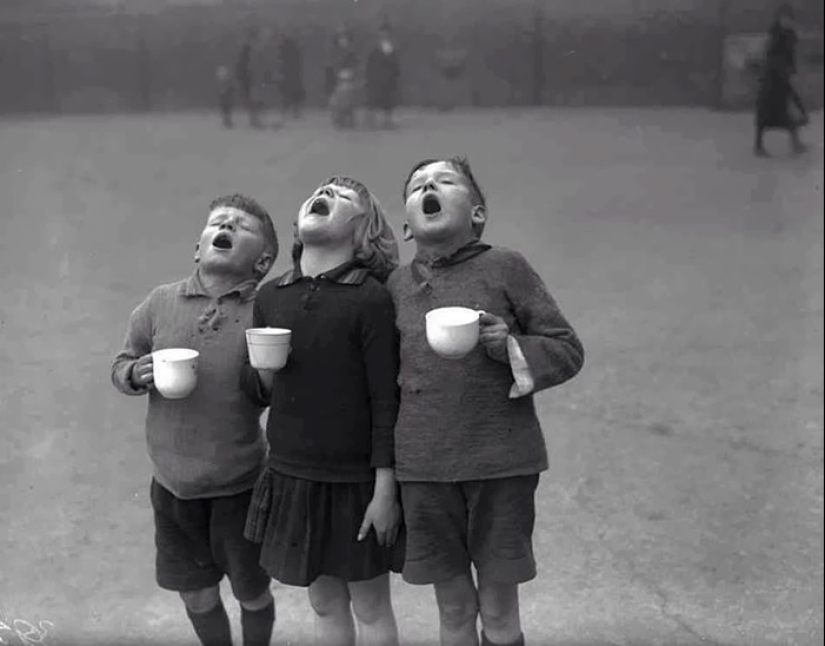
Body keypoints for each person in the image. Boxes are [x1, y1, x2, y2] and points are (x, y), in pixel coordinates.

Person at [387, 156, 585, 646]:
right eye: (417, 187)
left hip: (501, 464)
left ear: (477, 214)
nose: (428, 186)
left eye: (445, 181)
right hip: (423, 469)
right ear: (407, 228)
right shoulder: (392, 287)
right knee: (454, 609)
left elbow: (567, 348)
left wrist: (509, 346)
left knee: (497, 608)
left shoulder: (505, 266)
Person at [241, 177, 403, 646]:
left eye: (344, 197)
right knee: (323, 603)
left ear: (363, 232)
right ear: (297, 226)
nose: (326, 195)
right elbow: (260, 389)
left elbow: (385, 400)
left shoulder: (370, 299)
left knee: (370, 607)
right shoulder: (272, 296)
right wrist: (265, 373)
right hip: (292, 475)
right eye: (320, 191)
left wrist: (384, 491)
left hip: (357, 483)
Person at [111, 194, 279, 646]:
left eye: (241, 225)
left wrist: (266, 376)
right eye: (217, 222)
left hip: (239, 485)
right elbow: (122, 362)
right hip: (172, 487)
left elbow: (269, 393)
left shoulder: (264, 312)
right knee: (196, 594)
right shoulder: (160, 302)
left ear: (262, 261)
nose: (225, 224)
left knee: (253, 591)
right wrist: (133, 372)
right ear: (198, 248)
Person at [754, 3, 809, 156]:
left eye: (788, 18)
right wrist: (780, 70)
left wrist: (792, 71)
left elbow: (791, 56)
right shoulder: (775, 35)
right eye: (783, 18)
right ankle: (758, 145)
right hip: (771, 78)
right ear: (779, 18)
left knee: (787, 109)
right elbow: (771, 56)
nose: (786, 21)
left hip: (783, 77)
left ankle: (795, 143)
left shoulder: (791, 35)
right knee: (766, 112)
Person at [365, 27, 400, 129]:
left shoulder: (391, 48)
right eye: (381, 35)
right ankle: (371, 121)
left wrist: (394, 75)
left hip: (388, 78)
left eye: (385, 35)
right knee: (372, 100)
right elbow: (370, 62)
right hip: (375, 77)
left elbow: (395, 63)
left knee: (388, 101)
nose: (383, 37)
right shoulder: (374, 47)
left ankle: (387, 121)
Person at [277, 34, 305, 120]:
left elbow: (280, 64)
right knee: (295, 96)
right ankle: (296, 113)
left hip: (286, 77)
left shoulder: (283, 53)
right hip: (294, 77)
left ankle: (284, 113)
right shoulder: (295, 52)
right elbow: (299, 66)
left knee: (286, 96)